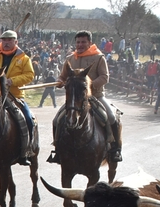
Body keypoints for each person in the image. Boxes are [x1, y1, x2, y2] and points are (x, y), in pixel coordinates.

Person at [48, 30, 121, 163]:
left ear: (90, 43)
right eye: (78, 42)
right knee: (57, 120)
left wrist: (89, 87)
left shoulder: (99, 58)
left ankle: (115, 149)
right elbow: (63, 76)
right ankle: (58, 151)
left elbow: (105, 77)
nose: (80, 45)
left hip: (96, 96)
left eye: (83, 42)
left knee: (110, 116)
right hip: (76, 99)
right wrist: (59, 81)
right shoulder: (70, 59)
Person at [0, 29, 35, 166]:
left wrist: (12, 80)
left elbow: (30, 75)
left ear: (15, 42)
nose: (6, 43)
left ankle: (25, 152)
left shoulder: (24, 59)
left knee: (28, 119)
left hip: (14, 96)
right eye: (4, 40)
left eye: (9, 40)